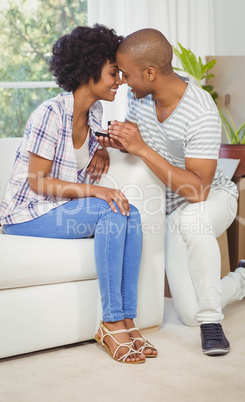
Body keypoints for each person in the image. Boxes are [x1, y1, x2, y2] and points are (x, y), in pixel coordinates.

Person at [0, 25, 158, 363]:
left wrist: (100, 149)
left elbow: (80, 159)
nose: (121, 80)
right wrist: (97, 190)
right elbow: (38, 182)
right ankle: (111, 321)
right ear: (89, 71)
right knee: (109, 206)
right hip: (27, 214)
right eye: (114, 72)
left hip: (58, 210)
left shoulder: (94, 115)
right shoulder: (49, 113)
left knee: (131, 212)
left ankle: (128, 321)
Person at [97, 28, 245, 356]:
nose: (123, 82)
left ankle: (213, 323)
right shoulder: (139, 97)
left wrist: (141, 147)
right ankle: (244, 278)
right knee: (188, 313)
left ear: (151, 73)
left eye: (127, 74)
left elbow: (197, 190)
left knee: (193, 223)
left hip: (213, 198)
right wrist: (122, 144)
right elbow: (147, 149)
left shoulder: (199, 111)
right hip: (173, 210)